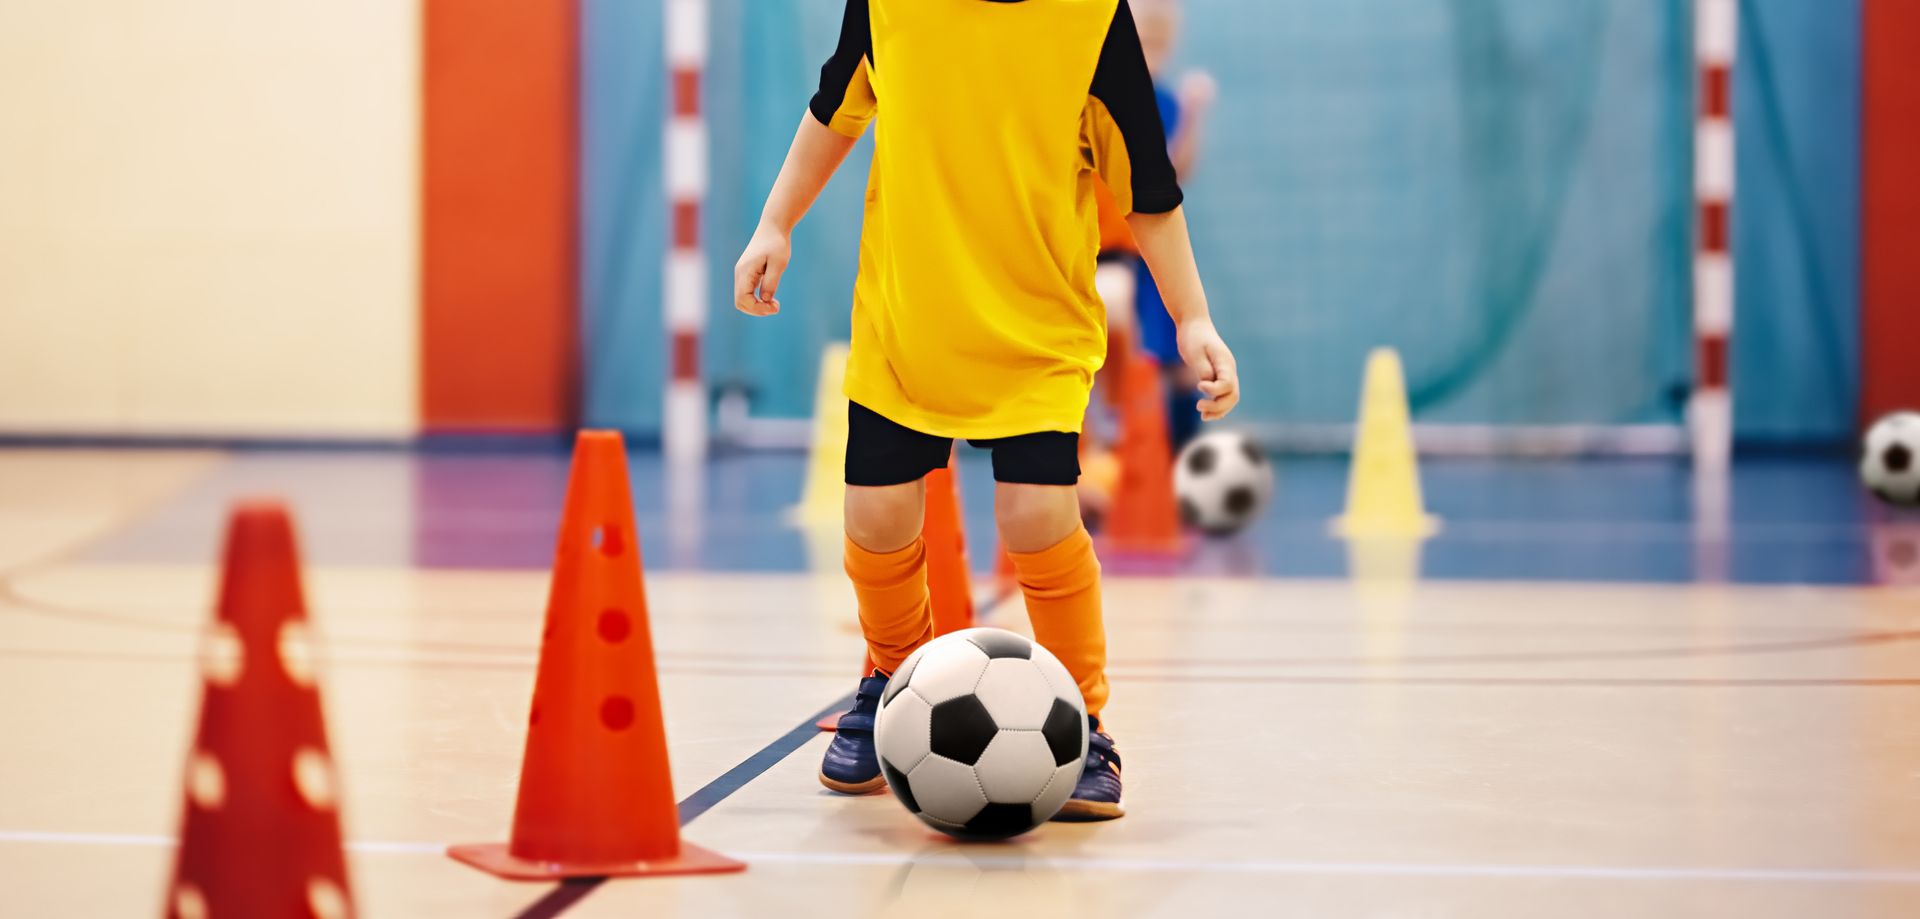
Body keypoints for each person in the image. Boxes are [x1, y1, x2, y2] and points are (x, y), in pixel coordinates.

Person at [732, 0, 1240, 822]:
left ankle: (1082, 721)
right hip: (908, 320)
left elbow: (1146, 182)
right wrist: (775, 222)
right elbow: (833, 109)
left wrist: (1194, 317)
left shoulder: (1091, 19)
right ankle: (891, 679)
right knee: (875, 516)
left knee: (1037, 515)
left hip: (1036, 329)